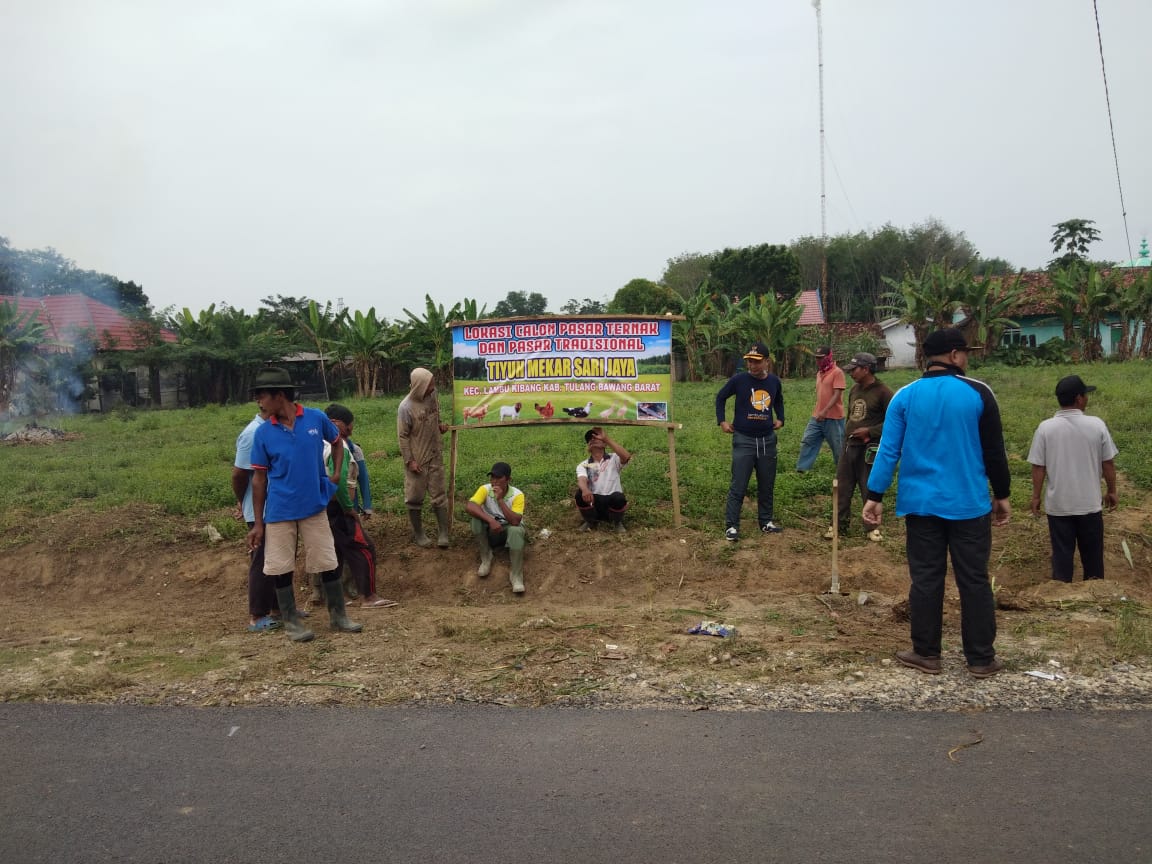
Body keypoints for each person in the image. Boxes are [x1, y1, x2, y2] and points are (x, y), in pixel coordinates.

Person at [862, 328, 1011, 679]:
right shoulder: (978, 393)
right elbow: (994, 451)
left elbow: (888, 450)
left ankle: (927, 654)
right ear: (956, 355)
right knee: (973, 580)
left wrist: (874, 495)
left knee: (926, 579)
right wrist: (1001, 495)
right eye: (966, 353)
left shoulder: (905, 396)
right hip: (969, 505)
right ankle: (981, 659)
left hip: (921, 505)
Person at [246, 367, 362, 642]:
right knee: (281, 566)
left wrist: (336, 474)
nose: (258, 402)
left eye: (261, 396)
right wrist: (258, 523)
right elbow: (259, 480)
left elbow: (336, 442)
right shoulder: (263, 433)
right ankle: (292, 622)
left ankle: (338, 616)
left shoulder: (315, 418)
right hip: (280, 511)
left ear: (279, 395)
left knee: (327, 560)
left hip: (314, 505)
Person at [1027, 375, 1118, 583]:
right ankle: (1095, 594)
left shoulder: (1045, 428)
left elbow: (1038, 467)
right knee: (1093, 559)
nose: (1087, 399)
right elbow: (1108, 464)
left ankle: (1060, 594)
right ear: (1078, 399)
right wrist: (1112, 491)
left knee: (1062, 556)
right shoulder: (1097, 425)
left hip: (1059, 507)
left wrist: (1035, 497)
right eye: (1085, 395)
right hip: (1089, 506)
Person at [324, 404, 397, 608]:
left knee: (335, 552)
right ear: (335, 424)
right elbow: (337, 482)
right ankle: (369, 596)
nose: (351, 431)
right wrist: (349, 508)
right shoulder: (339, 447)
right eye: (349, 427)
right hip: (339, 508)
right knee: (365, 548)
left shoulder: (317, 444)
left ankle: (335, 598)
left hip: (322, 509)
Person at [715, 341, 785, 540]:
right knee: (739, 484)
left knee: (767, 483)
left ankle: (765, 522)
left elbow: (778, 400)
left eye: (756, 362)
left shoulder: (774, 382)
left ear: (767, 362)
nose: (752, 366)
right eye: (749, 362)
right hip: (743, 439)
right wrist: (722, 421)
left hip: (767, 440)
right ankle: (732, 526)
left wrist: (780, 417)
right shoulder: (739, 380)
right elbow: (720, 398)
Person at [824, 352, 893, 541]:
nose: (851, 373)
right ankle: (838, 525)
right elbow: (851, 417)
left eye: (854, 369)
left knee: (868, 485)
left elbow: (894, 422)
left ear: (866, 369)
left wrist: (870, 432)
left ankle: (872, 527)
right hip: (849, 446)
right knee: (842, 486)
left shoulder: (883, 392)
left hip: (869, 448)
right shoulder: (854, 389)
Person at [232, 402, 280, 632]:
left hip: (277, 506)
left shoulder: (274, 429)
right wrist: (242, 502)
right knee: (261, 559)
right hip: (260, 509)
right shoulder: (252, 434)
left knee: (278, 557)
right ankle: (257, 614)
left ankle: (279, 607)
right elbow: (239, 473)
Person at [397, 367, 451, 548]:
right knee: (414, 497)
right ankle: (419, 534)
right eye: (429, 384)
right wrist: (410, 461)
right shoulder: (405, 408)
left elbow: (436, 416)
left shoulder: (433, 396)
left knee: (439, 494)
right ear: (420, 385)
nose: (432, 387)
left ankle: (443, 532)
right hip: (417, 460)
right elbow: (402, 436)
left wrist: (441, 426)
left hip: (435, 454)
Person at [465, 461, 527, 594]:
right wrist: (490, 520)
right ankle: (486, 557)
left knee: (516, 530)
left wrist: (500, 500)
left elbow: (515, 521)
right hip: (492, 530)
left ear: (508, 479)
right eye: (492, 477)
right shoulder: (485, 489)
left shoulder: (518, 495)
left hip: (508, 531)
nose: (494, 481)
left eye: (499, 478)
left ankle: (516, 576)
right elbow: (470, 506)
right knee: (476, 520)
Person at [796, 345, 845, 472]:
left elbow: (837, 394)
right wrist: (820, 411)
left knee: (838, 447)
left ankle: (843, 472)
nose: (818, 361)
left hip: (834, 417)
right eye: (816, 358)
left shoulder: (837, 372)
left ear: (829, 357)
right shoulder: (819, 373)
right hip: (817, 416)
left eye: (821, 358)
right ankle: (802, 470)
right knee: (808, 440)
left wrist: (825, 411)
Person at [575, 427, 632, 534]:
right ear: (588, 447)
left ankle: (617, 522)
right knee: (579, 494)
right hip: (593, 502)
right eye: (590, 439)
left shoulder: (613, 458)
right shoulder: (584, 464)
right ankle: (590, 521)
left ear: (604, 444)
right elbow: (582, 479)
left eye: (596, 437)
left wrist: (606, 439)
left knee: (618, 497)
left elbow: (626, 456)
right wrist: (585, 489)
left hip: (611, 502)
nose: (592, 440)